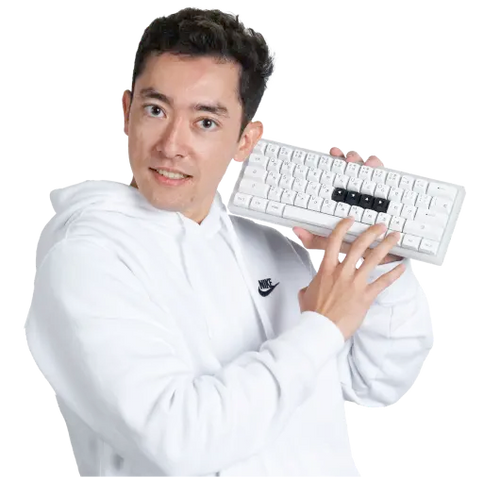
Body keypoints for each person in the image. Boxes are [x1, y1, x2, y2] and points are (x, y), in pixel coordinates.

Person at [21, 4, 437, 476]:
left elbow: (378, 383)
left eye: (205, 122)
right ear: (125, 111)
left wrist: (373, 250)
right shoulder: (83, 259)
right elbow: (178, 441)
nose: (171, 145)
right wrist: (321, 326)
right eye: (156, 110)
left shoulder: (273, 245)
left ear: (246, 140)